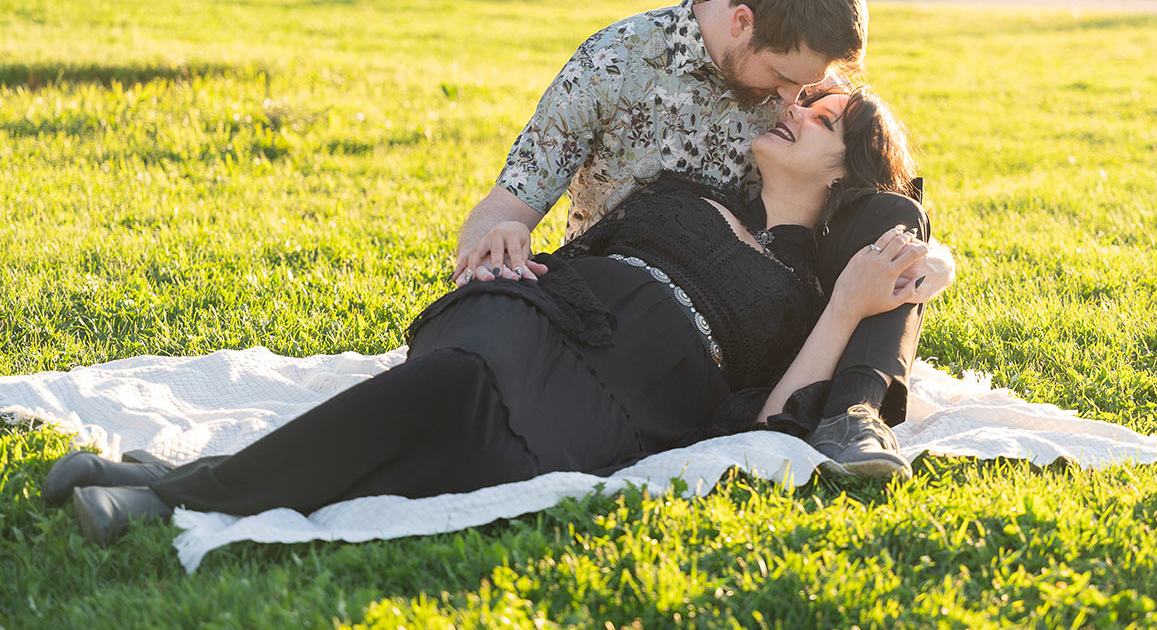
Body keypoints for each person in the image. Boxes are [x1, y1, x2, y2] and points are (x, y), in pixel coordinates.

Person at [44, 88, 931, 546]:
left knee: (460, 434)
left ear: (845, 169)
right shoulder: (683, 190)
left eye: (823, 118)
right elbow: (576, 250)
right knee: (453, 380)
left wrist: (845, 307)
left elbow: (770, 424)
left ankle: (177, 482)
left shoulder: (805, 288)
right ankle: (169, 499)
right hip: (544, 315)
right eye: (802, 99)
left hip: (619, 394)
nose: (795, 110)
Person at [451, 0, 952, 464]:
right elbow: (505, 205)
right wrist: (493, 245)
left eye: (807, 86)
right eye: (784, 80)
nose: (792, 100)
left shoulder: (798, 61)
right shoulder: (613, 65)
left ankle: (855, 414)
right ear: (741, 23)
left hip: (759, 291)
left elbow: (867, 159)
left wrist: (929, 258)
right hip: (618, 285)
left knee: (899, 220)